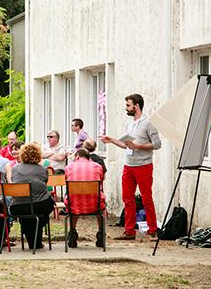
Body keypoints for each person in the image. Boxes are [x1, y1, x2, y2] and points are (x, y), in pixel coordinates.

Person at [100, 93, 162, 240]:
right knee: (127, 199)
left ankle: (153, 229)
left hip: (144, 165)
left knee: (147, 198)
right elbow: (126, 145)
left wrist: (138, 146)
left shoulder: (148, 123)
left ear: (137, 106)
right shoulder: (129, 124)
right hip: (128, 165)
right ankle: (129, 231)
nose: (126, 108)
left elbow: (158, 144)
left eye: (128, 105)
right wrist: (112, 140)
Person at [10, 142, 54, 250]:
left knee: (26, 217)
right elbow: (44, 184)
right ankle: (36, 240)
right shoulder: (43, 170)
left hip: (18, 206)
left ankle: (33, 241)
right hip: (39, 204)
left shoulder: (15, 168)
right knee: (46, 207)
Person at [64, 148, 105, 248]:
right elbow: (101, 182)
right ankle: (101, 233)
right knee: (100, 202)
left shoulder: (69, 167)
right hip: (95, 205)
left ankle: (72, 233)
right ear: (89, 157)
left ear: (77, 156)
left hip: (74, 205)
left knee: (74, 199)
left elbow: (67, 181)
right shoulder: (98, 167)